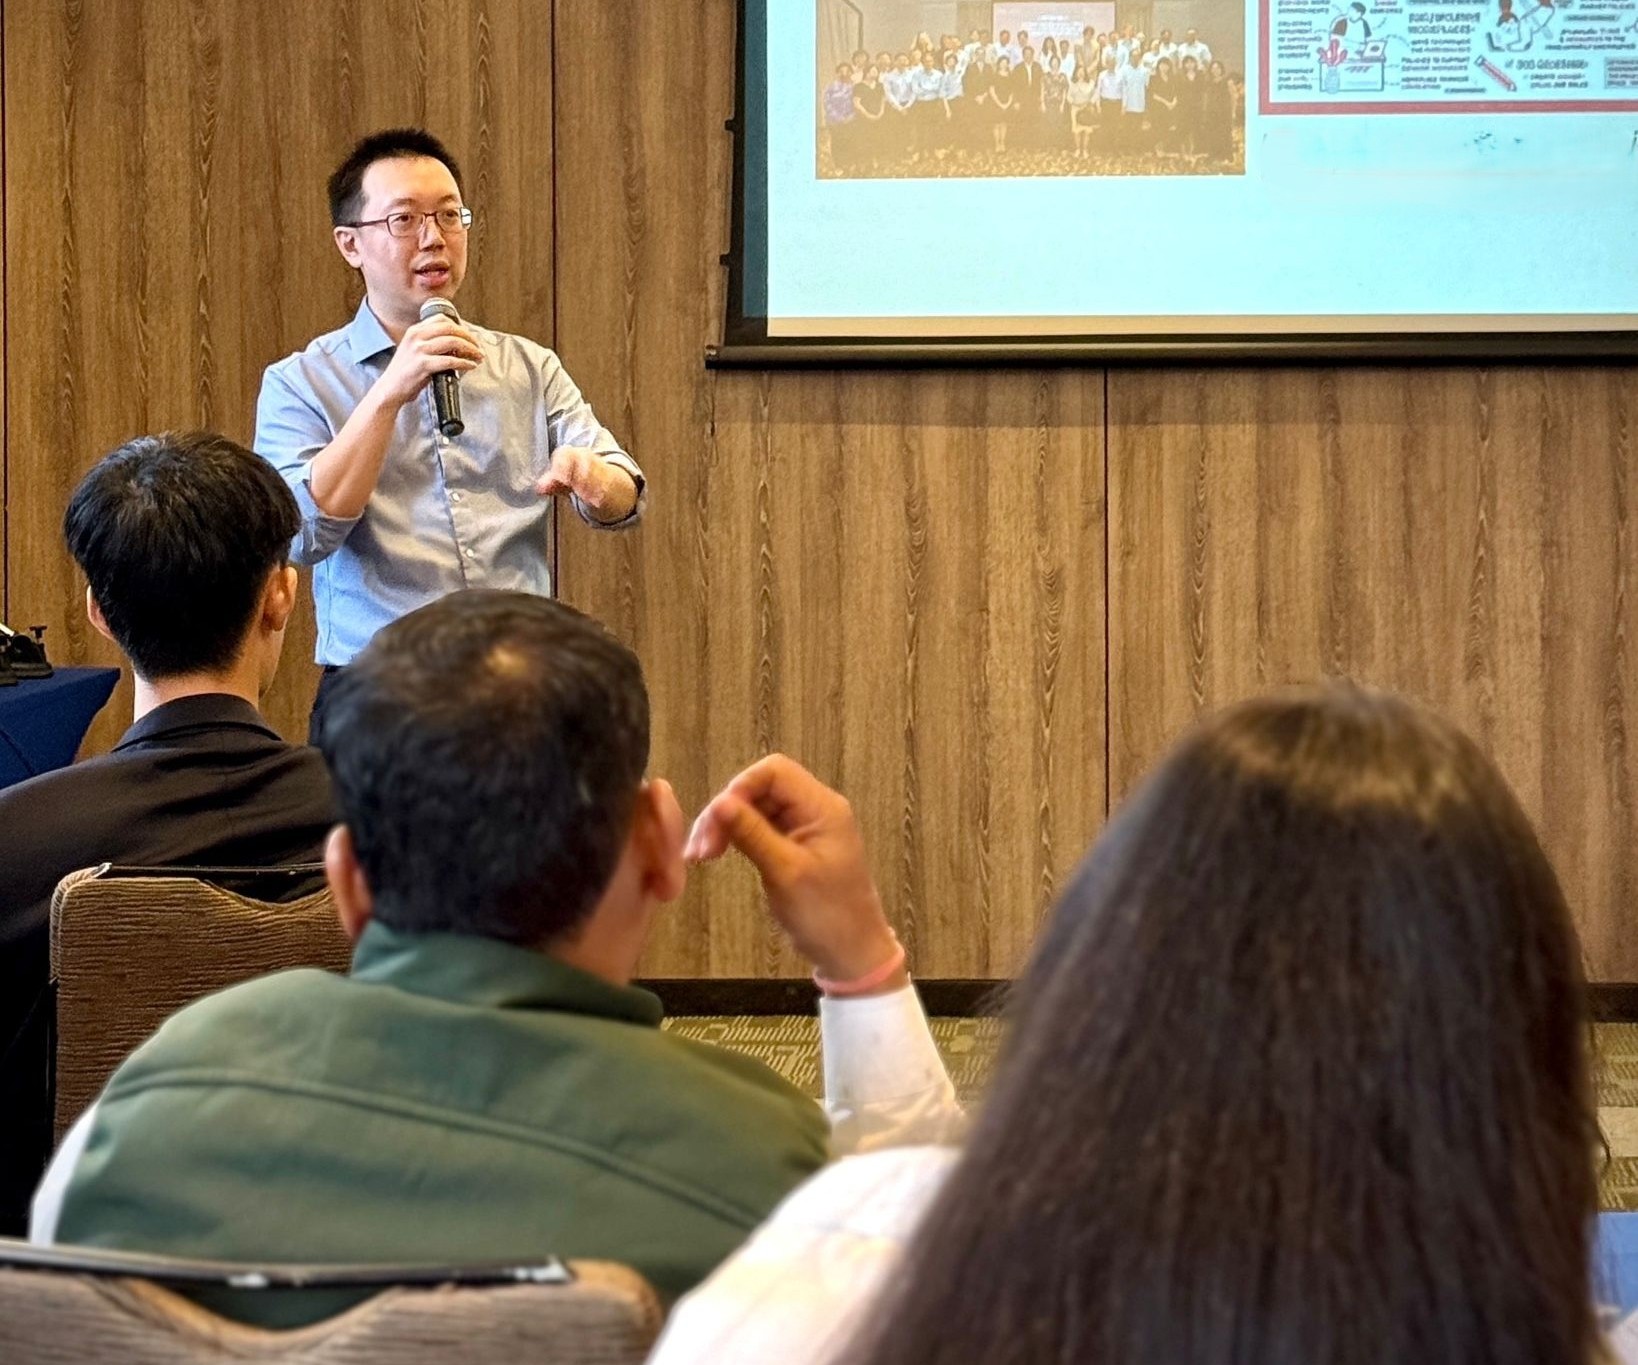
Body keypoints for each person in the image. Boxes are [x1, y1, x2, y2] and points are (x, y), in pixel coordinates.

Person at [32, 591, 956, 1326]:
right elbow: (940, 1289)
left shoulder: (139, 1116)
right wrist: (858, 959)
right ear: (656, 849)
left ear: (347, 883)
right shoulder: (771, 1170)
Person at [648, 685, 1604, 1365]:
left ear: (1096, 985)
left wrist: (861, 969)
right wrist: (861, 969)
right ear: (1528, 1073)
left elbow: (899, 1212)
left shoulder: (813, 1298)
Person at [0, 432, 336, 1237]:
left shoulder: (17, 845)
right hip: (347, 1273)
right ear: (281, 597)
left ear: (98, 614)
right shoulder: (404, 831)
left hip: (59, 1294)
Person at [253, 129, 646, 742]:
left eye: (449, 215)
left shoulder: (528, 366)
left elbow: (626, 493)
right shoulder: (301, 382)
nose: (434, 237)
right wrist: (386, 396)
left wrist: (595, 479)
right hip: (380, 701)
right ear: (350, 244)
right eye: (405, 220)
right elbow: (301, 533)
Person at [850, 64, 887, 169]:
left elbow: (883, 100)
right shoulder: (859, 86)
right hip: (864, 117)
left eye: (876, 71)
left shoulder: (880, 85)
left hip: (878, 116)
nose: (875, 73)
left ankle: (875, 159)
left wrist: (881, 112)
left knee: (877, 137)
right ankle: (864, 161)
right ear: (866, 72)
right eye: (873, 71)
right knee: (864, 138)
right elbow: (856, 103)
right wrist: (867, 115)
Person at [1201, 60, 1236, 163]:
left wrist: (1233, 112)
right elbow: (1206, 97)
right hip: (1212, 112)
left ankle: (1227, 156)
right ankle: (1213, 155)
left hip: (1224, 112)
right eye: (1213, 68)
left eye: (1218, 68)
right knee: (1212, 134)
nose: (1215, 70)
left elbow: (1233, 97)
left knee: (1225, 134)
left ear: (1221, 69)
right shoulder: (1209, 82)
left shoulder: (1228, 81)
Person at [823, 63, 856, 167]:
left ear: (851, 73)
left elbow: (858, 103)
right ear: (837, 73)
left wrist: (851, 116)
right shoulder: (831, 87)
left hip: (851, 119)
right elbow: (827, 103)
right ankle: (838, 163)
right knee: (837, 141)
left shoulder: (855, 87)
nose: (844, 73)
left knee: (850, 140)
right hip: (834, 120)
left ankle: (850, 162)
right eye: (841, 71)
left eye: (847, 71)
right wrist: (838, 117)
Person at [1119, 47, 1151, 152]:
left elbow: (1147, 88)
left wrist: (1146, 106)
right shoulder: (1124, 70)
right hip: (1127, 105)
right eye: (1133, 56)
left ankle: (1136, 149)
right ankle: (1127, 149)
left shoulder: (1145, 71)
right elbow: (1122, 88)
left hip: (1140, 104)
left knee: (1138, 128)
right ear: (1129, 58)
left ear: (1140, 58)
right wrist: (1123, 105)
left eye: (1137, 56)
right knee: (1127, 128)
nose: (1135, 58)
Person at [1149, 58, 1180, 155]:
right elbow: (1153, 94)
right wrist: (1166, 103)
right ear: (1158, 66)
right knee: (1158, 128)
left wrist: (1174, 102)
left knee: (1168, 128)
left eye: (1166, 65)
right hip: (1159, 107)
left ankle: (1165, 148)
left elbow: (1177, 92)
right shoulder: (1153, 78)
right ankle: (1157, 149)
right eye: (1162, 65)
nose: (1164, 67)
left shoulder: (1173, 78)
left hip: (1170, 108)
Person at [1067, 64, 1098, 159]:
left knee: (1086, 131)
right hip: (1075, 109)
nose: (1080, 74)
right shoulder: (1072, 84)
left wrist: (1089, 103)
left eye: (1082, 72)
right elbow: (1068, 96)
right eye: (1078, 72)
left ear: (1085, 73)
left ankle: (1085, 150)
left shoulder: (1090, 83)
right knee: (1077, 131)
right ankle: (1077, 149)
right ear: (1076, 73)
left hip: (1086, 109)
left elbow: (1095, 95)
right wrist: (1074, 103)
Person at [1042, 54, 1070, 150]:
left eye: (1056, 62)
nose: (1055, 64)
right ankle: (1050, 144)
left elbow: (1065, 90)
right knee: (1049, 122)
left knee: (1059, 123)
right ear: (1050, 63)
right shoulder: (1046, 76)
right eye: (1053, 62)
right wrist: (1042, 103)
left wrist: (1063, 104)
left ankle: (1058, 144)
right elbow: (1042, 89)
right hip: (1049, 103)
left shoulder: (1063, 76)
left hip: (1059, 103)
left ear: (1059, 64)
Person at [987, 57, 1015, 153]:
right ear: (998, 64)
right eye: (1002, 62)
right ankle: (996, 144)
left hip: (1007, 102)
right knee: (996, 124)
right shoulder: (994, 76)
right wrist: (999, 104)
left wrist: (1007, 104)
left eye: (1006, 63)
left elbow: (1012, 91)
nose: (1004, 64)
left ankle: (1002, 143)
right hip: (996, 102)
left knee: (1004, 124)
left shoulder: (1010, 76)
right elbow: (991, 91)